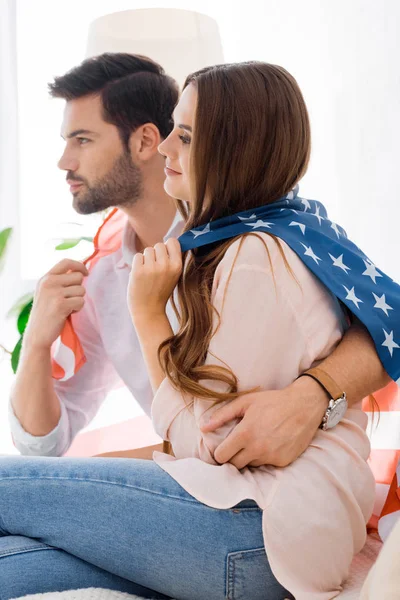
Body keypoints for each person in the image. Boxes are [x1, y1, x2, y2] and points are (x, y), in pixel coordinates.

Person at [0, 60, 396, 600]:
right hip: (225, 510)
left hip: (257, 522)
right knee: (11, 565)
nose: (64, 160)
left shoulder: (252, 250)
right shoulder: (112, 271)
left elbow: (213, 440)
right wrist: (39, 341)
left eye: (82, 138)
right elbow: (45, 443)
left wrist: (316, 393)